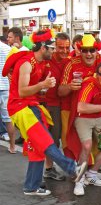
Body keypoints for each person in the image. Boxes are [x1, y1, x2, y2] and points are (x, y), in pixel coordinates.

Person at [3, 29, 86, 196]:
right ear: (43, 47)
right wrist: (43, 85)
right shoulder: (27, 63)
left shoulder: (40, 62)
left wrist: (43, 87)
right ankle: (71, 168)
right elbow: (21, 92)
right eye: (52, 48)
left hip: (31, 105)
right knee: (45, 140)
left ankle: (31, 186)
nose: (54, 51)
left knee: (37, 147)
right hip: (20, 108)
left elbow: (32, 91)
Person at [58, 34, 101, 158]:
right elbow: (60, 91)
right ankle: (75, 170)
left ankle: (91, 170)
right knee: (71, 142)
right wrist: (70, 86)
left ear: (97, 50)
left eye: (92, 50)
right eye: (84, 50)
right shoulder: (72, 64)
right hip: (72, 110)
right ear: (79, 51)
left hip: (96, 110)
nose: (88, 54)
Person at [73, 61, 101, 196]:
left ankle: (91, 174)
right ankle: (79, 179)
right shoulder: (90, 84)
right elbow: (81, 107)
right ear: (96, 74)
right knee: (86, 146)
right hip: (84, 118)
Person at [42, 32, 71, 181]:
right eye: (61, 47)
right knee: (52, 138)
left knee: (65, 137)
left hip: (66, 105)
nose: (64, 51)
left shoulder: (70, 60)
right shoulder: (46, 59)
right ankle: (49, 168)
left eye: (67, 47)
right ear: (54, 46)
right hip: (50, 104)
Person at [0, 37, 16, 153]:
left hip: (5, 87)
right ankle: (12, 147)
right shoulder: (8, 49)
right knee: (8, 119)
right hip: (6, 87)